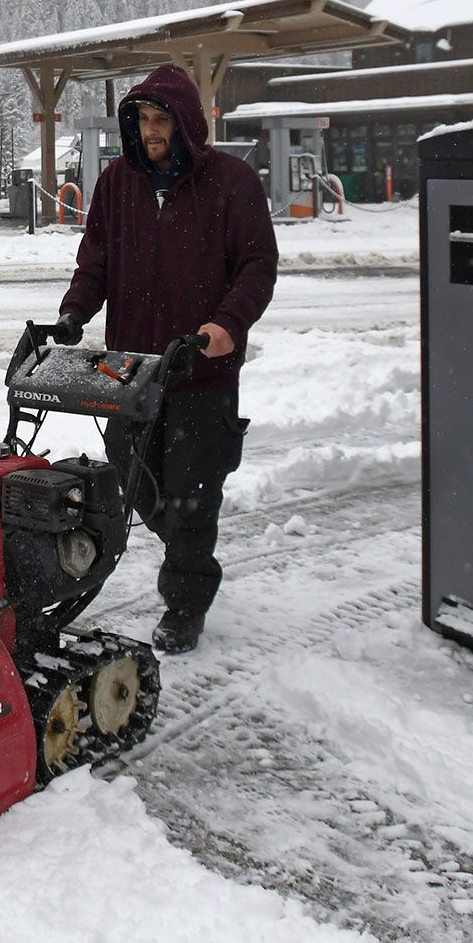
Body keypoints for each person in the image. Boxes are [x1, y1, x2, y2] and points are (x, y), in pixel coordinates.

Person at [56, 64, 277, 655]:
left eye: (162, 120)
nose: (152, 132)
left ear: (185, 123)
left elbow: (258, 265)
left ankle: (186, 600)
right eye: (143, 120)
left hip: (201, 369)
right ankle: (183, 544)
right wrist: (73, 315)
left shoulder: (231, 182)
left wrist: (226, 327)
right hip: (132, 371)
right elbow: (95, 262)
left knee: (192, 491)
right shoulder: (116, 185)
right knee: (137, 480)